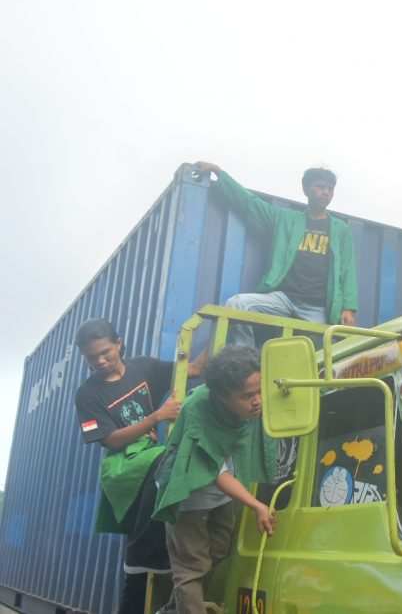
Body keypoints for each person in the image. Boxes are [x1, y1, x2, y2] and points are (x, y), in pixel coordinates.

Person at [73, 318, 204, 614]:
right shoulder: (87, 394)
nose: (100, 361)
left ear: (119, 343)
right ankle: (145, 557)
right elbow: (111, 439)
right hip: (121, 464)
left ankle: (147, 561)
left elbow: (194, 369)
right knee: (166, 459)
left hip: (150, 456)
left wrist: (229, 327)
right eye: (92, 357)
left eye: (105, 352)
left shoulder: (143, 367)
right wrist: (156, 417)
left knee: (172, 464)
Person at [153, 345, 277, 613]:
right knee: (191, 567)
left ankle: (173, 610)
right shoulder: (198, 407)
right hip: (188, 494)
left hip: (221, 496)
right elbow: (215, 471)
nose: (257, 401)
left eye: (259, 391)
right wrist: (256, 504)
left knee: (217, 552)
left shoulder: (247, 407)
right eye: (247, 396)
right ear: (222, 395)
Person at [192, 161, 358, 345]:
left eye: (330, 188)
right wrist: (218, 172)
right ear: (306, 189)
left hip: (317, 308)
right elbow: (251, 203)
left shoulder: (340, 230)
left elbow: (347, 270)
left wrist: (348, 309)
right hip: (284, 299)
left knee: (317, 354)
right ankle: (245, 357)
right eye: (320, 186)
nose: (325, 192)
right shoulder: (285, 219)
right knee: (236, 304)